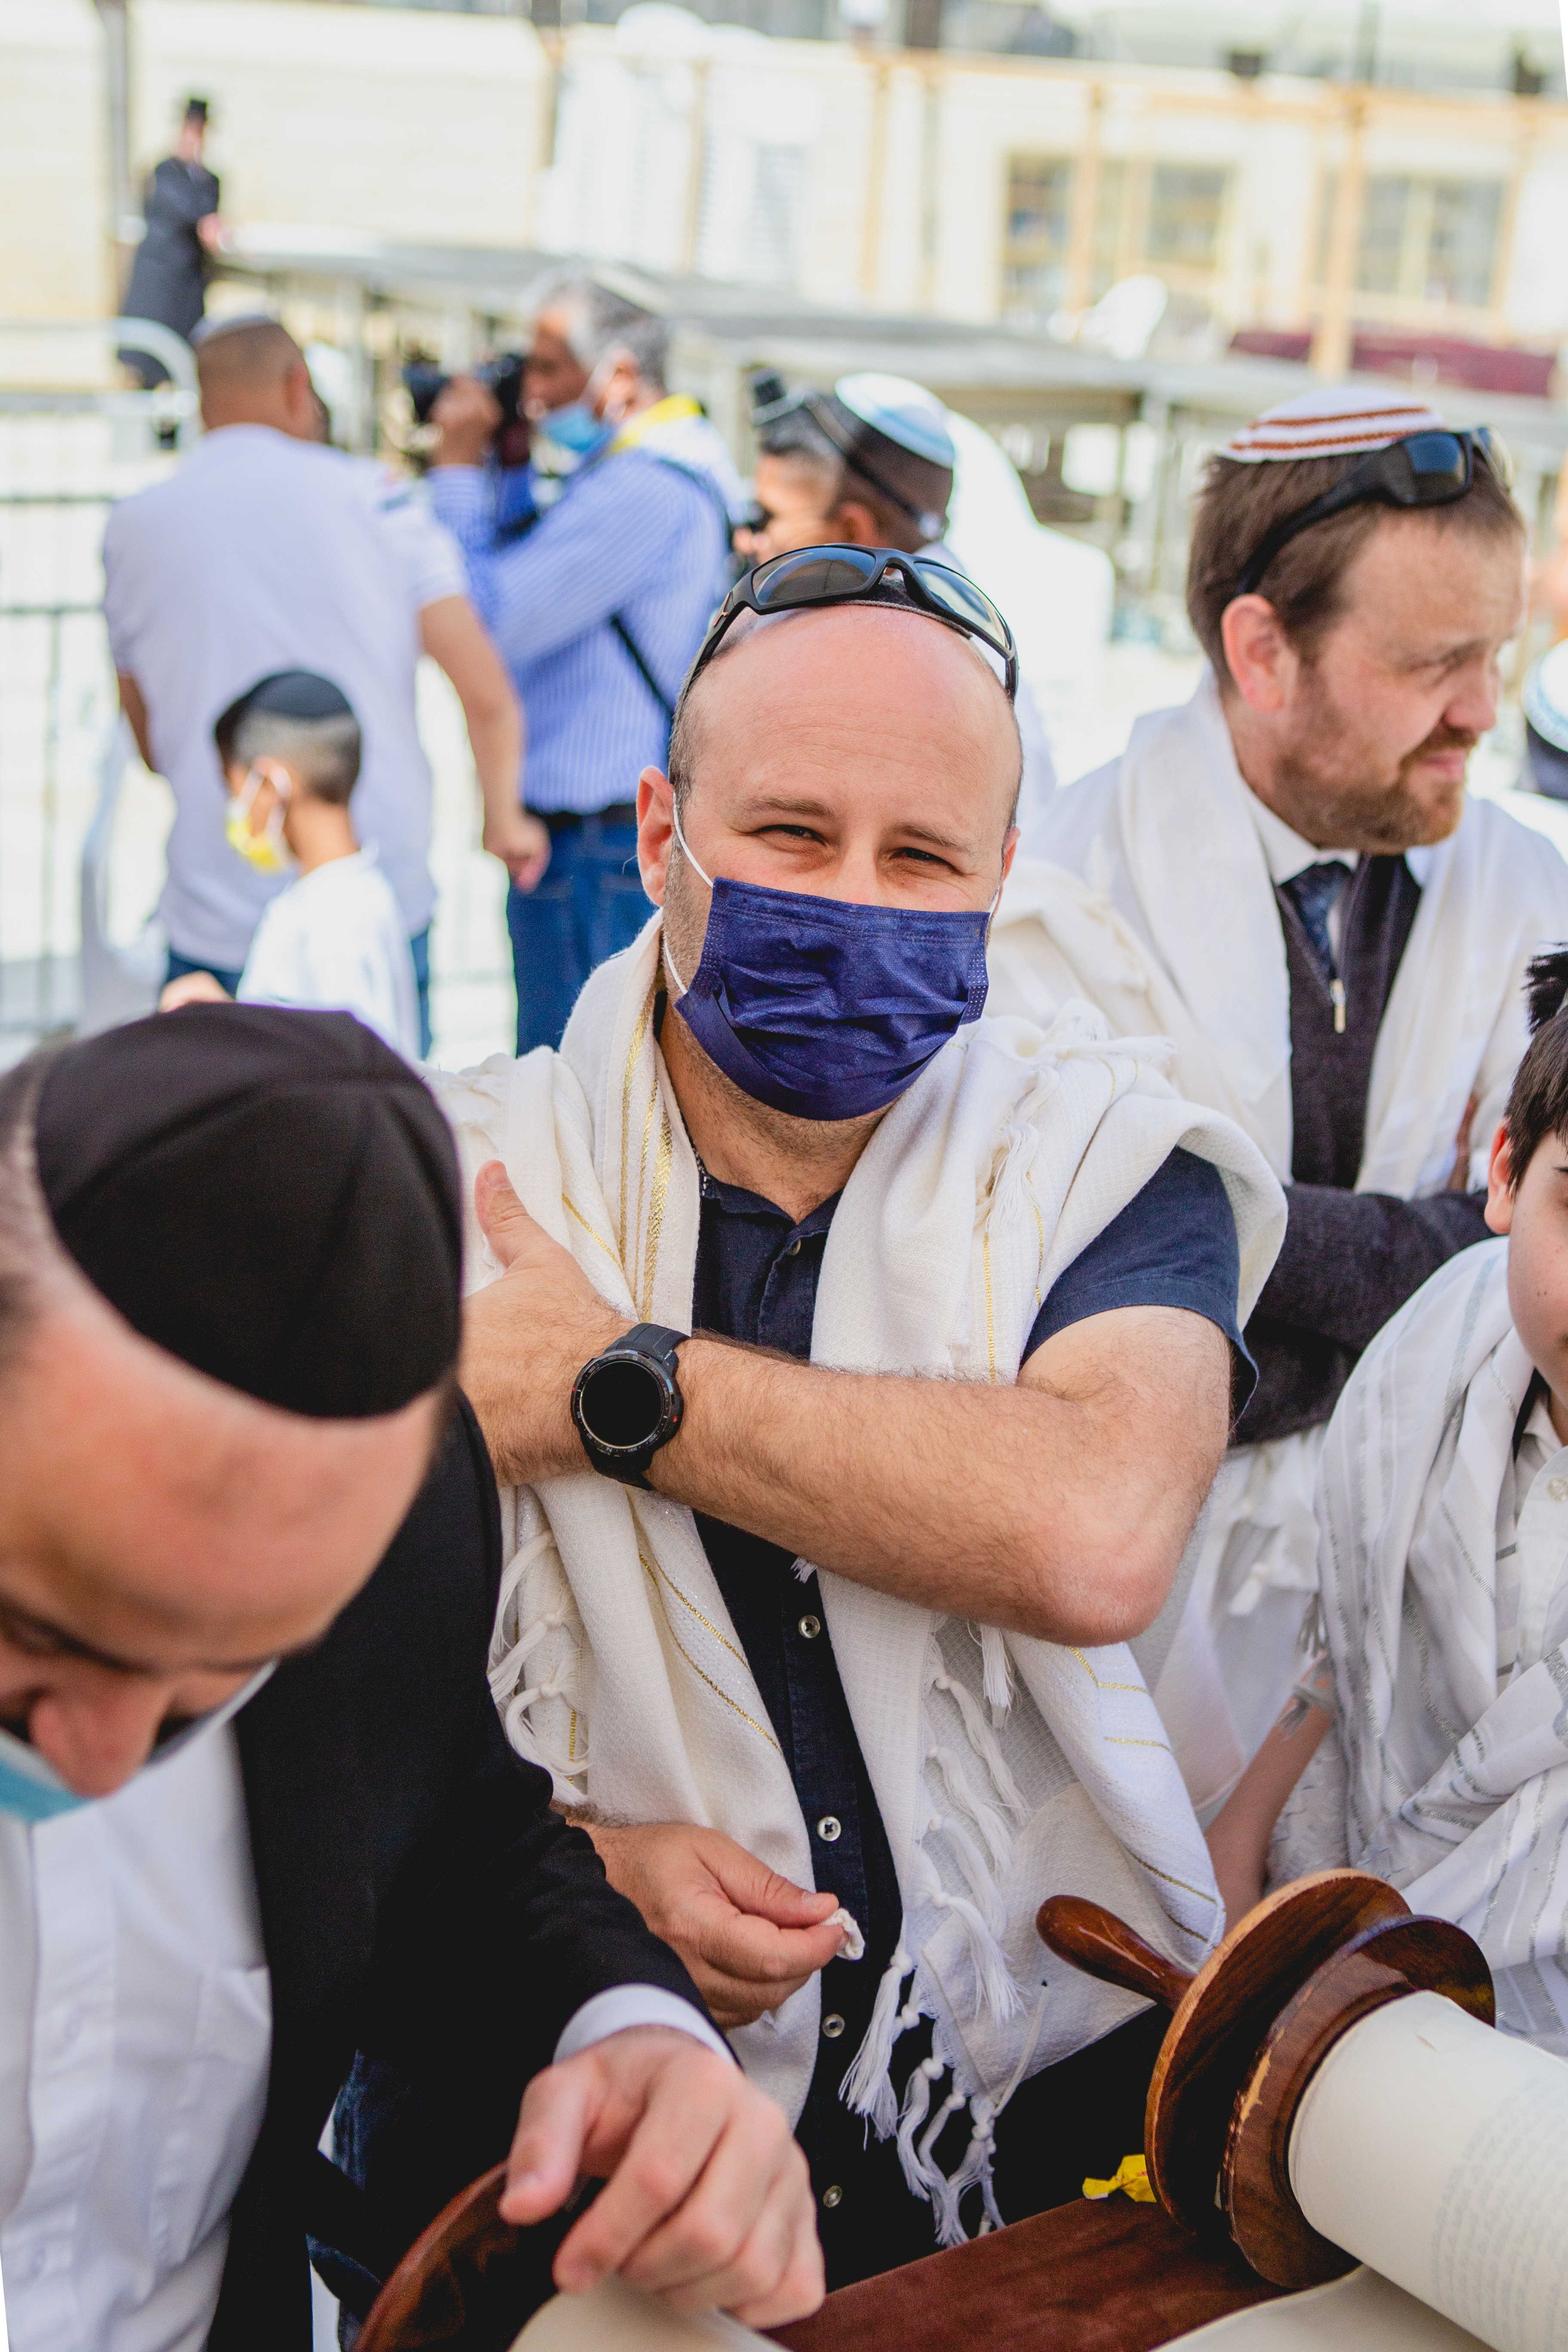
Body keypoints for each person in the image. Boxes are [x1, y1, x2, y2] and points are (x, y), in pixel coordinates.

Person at [436, 550, 1285, 2286]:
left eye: (920, 859)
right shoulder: (463, 1185)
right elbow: (311, 1694)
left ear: (1002, 875)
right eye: (791, 834)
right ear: (660, 829)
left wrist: (607, 1384)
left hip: (1029, 2136)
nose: (852, 901)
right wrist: (582, 1870)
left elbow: (1089, 1529)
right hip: (571, 2138)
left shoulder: (1108, 1163)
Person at [0, 1006, 821, 2352]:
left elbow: (451, 1851)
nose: (100, 1759)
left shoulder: (405, 1538)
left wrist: (631, 2036)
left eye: (221, 1678)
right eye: (41, 1639)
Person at [987, 383, 1568, 1800]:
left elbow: (1520, 1269)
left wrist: (1225, 1244)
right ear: (1262, 650)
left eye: (1495, 656)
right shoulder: (1061, 895)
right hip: (1113, 1661)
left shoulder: (1527, 886)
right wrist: (1424, 1255)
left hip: (1425, 1651)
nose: (1480, 712)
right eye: (1433, 662)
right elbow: (1060, 1308)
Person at [1205, 947, 1568, 2052]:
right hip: (1328, 1961)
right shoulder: (1435, 1353)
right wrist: (1244, 1830)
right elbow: (1358, 1632)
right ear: (1505, 1176)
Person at [104, 315, 536, 1058]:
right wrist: (503, 817)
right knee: (381, 1123)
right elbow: (484, 690)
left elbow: (150, 743)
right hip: (373, 896)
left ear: (203, 399)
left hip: (215, 904)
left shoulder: (135, 525)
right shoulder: (379, 500)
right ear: (296, 384)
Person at [428, 277, 741, 1054]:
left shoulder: (644, 486)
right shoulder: (630, 468)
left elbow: (488, 621)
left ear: (620, 376)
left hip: (594, 847)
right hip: (590, 839)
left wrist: (456, 470)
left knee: (572, 1076)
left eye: (547, 368)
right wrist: (506, 467)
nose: (530, 394)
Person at [739, 372, 1057, 818]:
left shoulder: (916, 651)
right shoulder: (932, 608)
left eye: (765, 518)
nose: (747, 540)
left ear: (853, 531)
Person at [157, 669, 422, 1061]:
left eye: (236, 793)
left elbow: (348, 1076)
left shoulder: (330, 925)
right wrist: (233, 1017)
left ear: (269, 784)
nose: (237, 812)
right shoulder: (351, 895)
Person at [119, 98, 223, 389]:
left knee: (180, 362)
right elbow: (184, 207)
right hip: (160, 279)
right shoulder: (164, 172)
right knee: (147, 361)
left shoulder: (208, 179)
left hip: (187, 284)